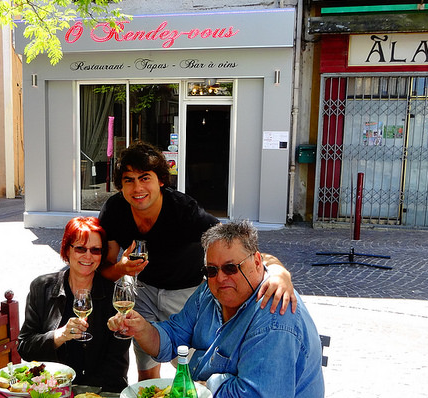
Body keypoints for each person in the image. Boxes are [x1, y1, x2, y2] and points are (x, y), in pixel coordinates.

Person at [109, 220, 326, 398]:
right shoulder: (209, 292)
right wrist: (142, 329)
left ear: (257, 262)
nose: (220, 278)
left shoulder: (274, 312)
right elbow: (173, 336)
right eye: (211, 270)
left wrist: (202, 387)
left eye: (231, 268)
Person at [98, 141, 297, 381]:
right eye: (129, 180)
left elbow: (237, 250)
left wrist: (278, 272)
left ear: (161, 180)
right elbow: (105, 270)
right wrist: (121, 268)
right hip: (143, 291)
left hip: (185, 294)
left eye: (144, 178)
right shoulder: (115, 210)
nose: (137, 187)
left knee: (191, 366)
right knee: (146, 360)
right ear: (121, 185)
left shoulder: (185, 211)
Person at [18, 217, 130, 393]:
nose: (88, 256)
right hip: (52, 390)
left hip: (100, 394)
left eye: (95, 250)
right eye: (80, 248)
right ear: (66, 250)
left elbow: (117, 363)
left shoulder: (113, 295)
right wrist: (59, 336)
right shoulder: (42, 287)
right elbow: (25, 348)